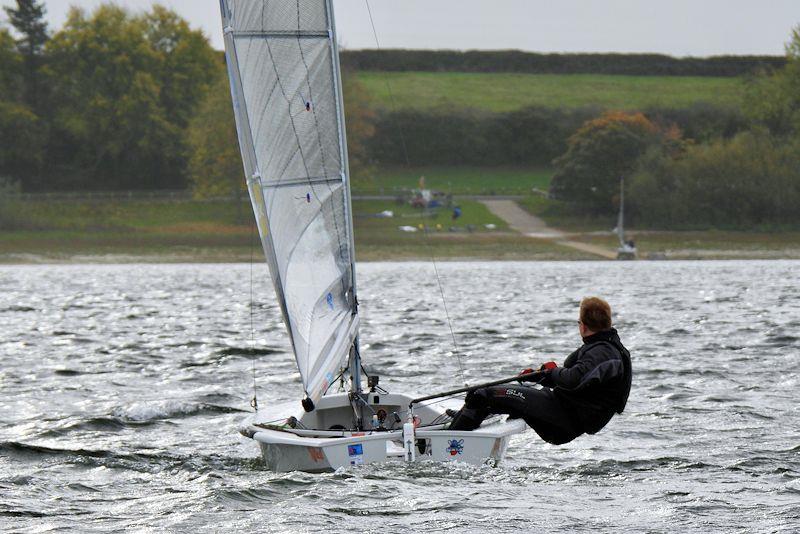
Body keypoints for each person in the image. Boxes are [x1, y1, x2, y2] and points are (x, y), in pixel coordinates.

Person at [448, 297, 632, 445]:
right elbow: (582, 383)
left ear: (582, 325)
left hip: (564, 418)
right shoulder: (604, 348)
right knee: (486, 397)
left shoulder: (604, 353)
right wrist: (542, 376)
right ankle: (465, 419)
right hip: (563, 411)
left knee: (482, 394)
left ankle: (450, 442)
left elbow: (575, 379)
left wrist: (553, 373)